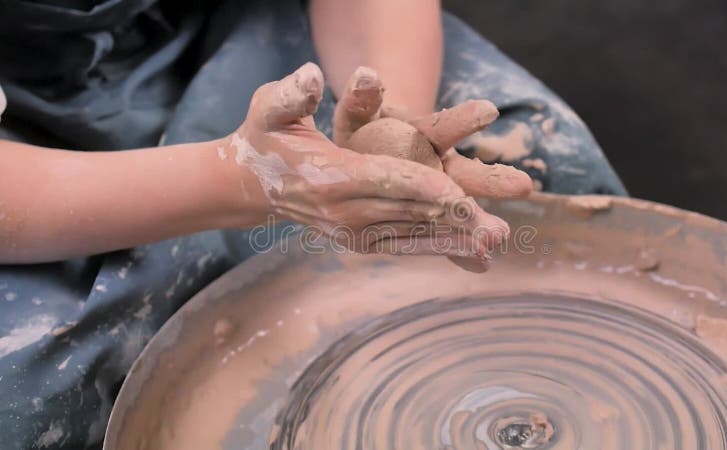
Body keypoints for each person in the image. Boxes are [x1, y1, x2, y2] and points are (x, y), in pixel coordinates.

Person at [0, 0, 626, 448]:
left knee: (541, 168)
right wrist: (242, 180)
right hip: (27, 142)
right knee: (31, 400)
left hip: (226, 26)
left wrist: (389, 115)